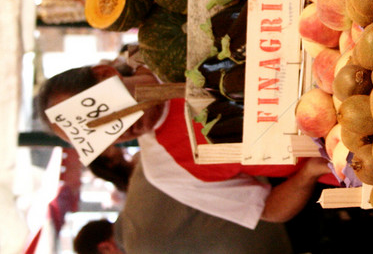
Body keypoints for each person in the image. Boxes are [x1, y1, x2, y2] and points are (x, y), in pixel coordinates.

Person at [38, 64, 337, 229]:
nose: (113, 133)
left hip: (333, 61)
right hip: (339, 150)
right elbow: (267, 209)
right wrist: (308, 173)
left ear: (105, 74)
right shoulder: (163, 171)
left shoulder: (164, 47)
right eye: (92, 139)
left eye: (97, 116)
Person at [73, 164, 293, 254]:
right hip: (271, 170)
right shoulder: (140, 179)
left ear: (105, 248)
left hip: (281, 229)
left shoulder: (140, 247)